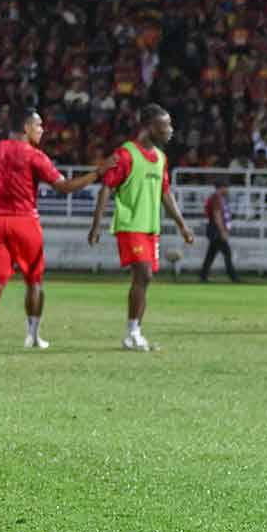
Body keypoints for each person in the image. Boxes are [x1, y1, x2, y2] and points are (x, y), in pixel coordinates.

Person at [0, 108, 114, 350]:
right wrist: (96, 173)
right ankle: (33, 335)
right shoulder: (34, 156)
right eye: (38, 126)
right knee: (34, 281)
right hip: (25, 222)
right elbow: (64, 187)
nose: (42, 130)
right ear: (26, 128)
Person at [88, 103, 194, 351]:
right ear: (149, 127)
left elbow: (165, 194)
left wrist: (182, 226)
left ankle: (134, 333)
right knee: (144, 274)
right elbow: (106, 187)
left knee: (145, 280)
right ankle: (132, 332)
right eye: (165, 125)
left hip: (150, 228)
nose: (171, 130)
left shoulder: (161, 159)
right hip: (129, 224)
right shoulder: (126, 154)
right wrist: (96, 225)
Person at [199, 181, 239, 283]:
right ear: (220, 188)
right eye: (226, 187)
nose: (227, 190)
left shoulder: (217, 198)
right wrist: (222, 231)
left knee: (211, 254)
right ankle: (233, 277)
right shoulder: (216, 199)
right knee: (227, 253)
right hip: (216, 230)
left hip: (213, 229)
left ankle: (203, 276)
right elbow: (217, 216)